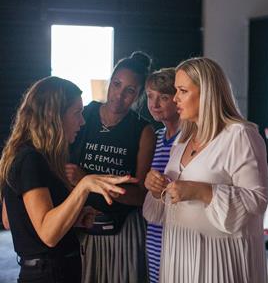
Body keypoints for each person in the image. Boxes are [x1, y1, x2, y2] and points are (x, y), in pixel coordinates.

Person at [142, 57, 268, 283]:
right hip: (180, 252)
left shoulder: (240, 135)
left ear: (207, 93)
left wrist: (202, 191)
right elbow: (171, 199)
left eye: (182, 91)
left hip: (218, 259)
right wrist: (156, 188)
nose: (175, 98)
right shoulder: (184, 138)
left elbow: (257, 201)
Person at [0, 77, 135, 283]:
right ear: (53, 117)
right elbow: (48, 234)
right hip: (49, 274)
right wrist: (84, 185)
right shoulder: (31, 159)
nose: (82, 121)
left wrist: (75, 218)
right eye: (76, 113)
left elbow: (11, 220)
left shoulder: (31, 155)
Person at [68, 51, 155, 283]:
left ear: (139, 95)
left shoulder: (143, 130)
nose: (119, 95)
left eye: (130, 91)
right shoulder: (84, 114)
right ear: (110, 81)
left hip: (122, 230)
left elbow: (140, 197)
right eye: (117, 84)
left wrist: (88, 180)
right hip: (80, 224)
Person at [142, 68, 180, 283]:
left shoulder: (190, 138)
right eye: (150, 96)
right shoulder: (155, 137)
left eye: (163, 97)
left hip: (179, 233)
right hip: (155, 231)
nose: (154, 104)